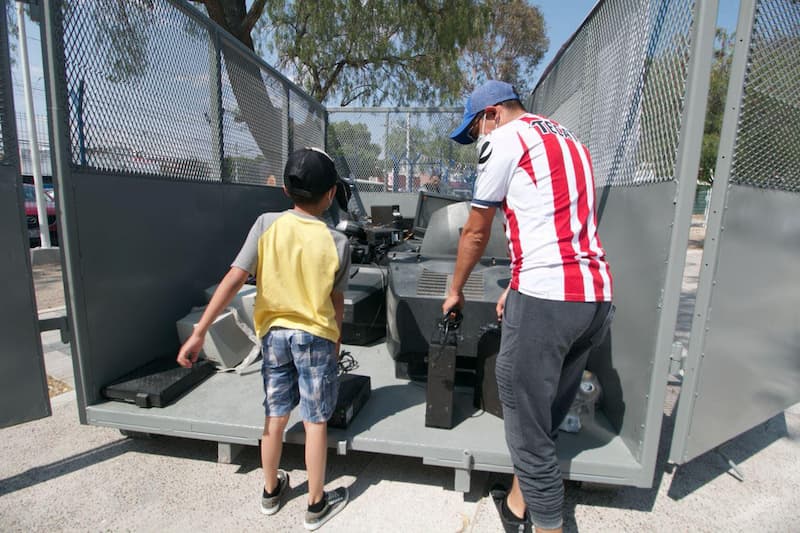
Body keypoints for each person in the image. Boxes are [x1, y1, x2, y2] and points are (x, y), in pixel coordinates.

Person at [443, 80, 614, 533]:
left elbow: (476, 232)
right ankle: (517, 507)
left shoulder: (503, 139)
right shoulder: (570, 139)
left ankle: (546, 523)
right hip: (594, 297)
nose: (477, 138)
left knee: (521, 415)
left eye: (476, 127)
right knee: (548, 409)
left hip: (549, 299)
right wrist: (516, 285)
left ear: (493, 114)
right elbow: (555, 223)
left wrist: (455, 288)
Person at [177, 147, 351, 531]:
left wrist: (199, 331)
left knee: (275, 415)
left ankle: (271, 491)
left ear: (287, 191)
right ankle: (316, 503)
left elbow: (234, 277)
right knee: (315, 421)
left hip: (273, 337)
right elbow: (336, 303)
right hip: (316, 338)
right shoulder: (337, 242)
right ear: (331, 194)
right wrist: (336, 342)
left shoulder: (264, 224)